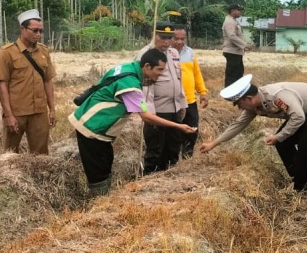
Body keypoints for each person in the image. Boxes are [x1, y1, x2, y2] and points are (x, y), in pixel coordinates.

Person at [69, 49, 197, 195]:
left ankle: (103, 197)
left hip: (97, 126)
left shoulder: (127, 68)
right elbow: (146, 116)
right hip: (92, 127)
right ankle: (98, 203)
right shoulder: (130, 85)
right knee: (99, 172)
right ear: (147, 67)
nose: (160, 75)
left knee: (105, 163)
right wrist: (179, 126)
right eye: (159, 70)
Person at [200, 75, 307, 192]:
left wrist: (278, 136)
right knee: (282, 143)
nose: (239, 108)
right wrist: (214, 143)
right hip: (302, 112)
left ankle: (301, 187)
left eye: (239, 104)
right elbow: (238, 125)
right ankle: (299, 177)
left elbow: (298, 118)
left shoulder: (277, 96)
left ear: (249, 99)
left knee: (305, 144)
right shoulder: (255, 106)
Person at [0, 9, 56, 155]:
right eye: (34, 31)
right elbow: (2, 85)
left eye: (41, 31)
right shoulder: (7, 53)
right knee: (9, 155)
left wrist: (52, 109)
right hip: (17, 112)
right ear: (23, 29)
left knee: (41, 155)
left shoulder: (44, 52)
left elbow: (48, 81)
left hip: (39, 112)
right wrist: (8, 115)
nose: (38, 34)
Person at [136, 22, 187, 173]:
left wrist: (182, 103)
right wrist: (151, 114)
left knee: (172, 150)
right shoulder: (146, 53)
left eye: (169, 38)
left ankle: (168, 183)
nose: (166, 42)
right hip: (157, 111)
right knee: (155, 152)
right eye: (162, 37)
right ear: (154, 35)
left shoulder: (173, 53)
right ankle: (149, 182)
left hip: (174, 109)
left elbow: (179, 79)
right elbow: (145, 86)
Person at [172, 27, 208, 157]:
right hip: (173, 101)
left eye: (183, 38)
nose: (180, 42)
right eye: (176, 38)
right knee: (175, 132)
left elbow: (196, 73)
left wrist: (202, 92)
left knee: (192, 130)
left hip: (190, 100)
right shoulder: (165, 54)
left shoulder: (190, 53)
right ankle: (173, 159)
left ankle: (187, 156)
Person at [222, 3, 248, 86]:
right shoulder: (229, 21)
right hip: (232, 52)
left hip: (236, 52)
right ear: (233, 10)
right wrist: (244, 45)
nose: (240, 12)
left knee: (238, 73)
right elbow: (232, 36)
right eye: (238, 10)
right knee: (233, 75)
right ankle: (230, 93)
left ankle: (236, 92)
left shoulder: (233, 21)